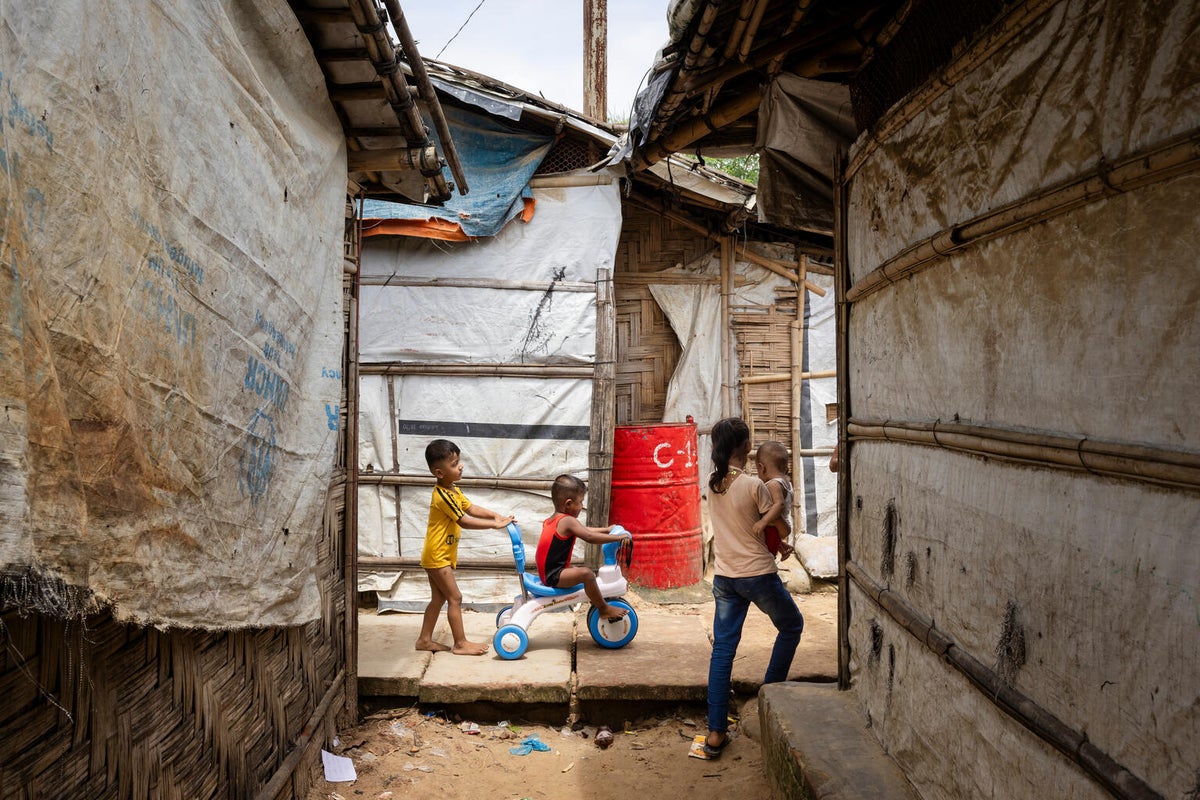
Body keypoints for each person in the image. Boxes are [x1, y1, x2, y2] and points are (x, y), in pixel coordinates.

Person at [702, 417, 804, 759]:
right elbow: (782, 531)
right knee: (791, 626)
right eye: (748, 441)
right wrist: (783, 524)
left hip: (725, 577)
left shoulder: (713, 484)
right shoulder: (752, 485)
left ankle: (715, 733)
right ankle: (770, 698)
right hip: (757, 575)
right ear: (744, 447)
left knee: (723, 650)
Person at [415, 439, 514, 655]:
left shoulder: (453, 490)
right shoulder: (442, 496)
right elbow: (464, 521)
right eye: (453, 464)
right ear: (440, 473)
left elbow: (472, 508)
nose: (460, 466)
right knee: (455, 598)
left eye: (459, 461)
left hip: (438, 555)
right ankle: (460, 643)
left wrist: (495, 515)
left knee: (438, 599)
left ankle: (424, 640)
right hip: (437, 556)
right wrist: (494, 525)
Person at [536, 474, 632, 621]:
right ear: (568, 504)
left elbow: (584, 530)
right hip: (554, 576)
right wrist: (619, 537)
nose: (582, 506)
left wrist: (607, 529)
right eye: (580, 502)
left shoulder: (554, 519)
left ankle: (597, 600)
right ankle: (604, 609)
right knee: (587, 574)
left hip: (549, 572)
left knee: (583, 574)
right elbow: (589, 537)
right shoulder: (567, 521)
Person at [751, 440, 796, 561]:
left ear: (761, 468)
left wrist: (763, 522)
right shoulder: (787, 482)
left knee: (765, 558)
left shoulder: (773, 484)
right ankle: (780, 547)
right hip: (776, 529)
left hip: (771, 529)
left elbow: (779, 504)